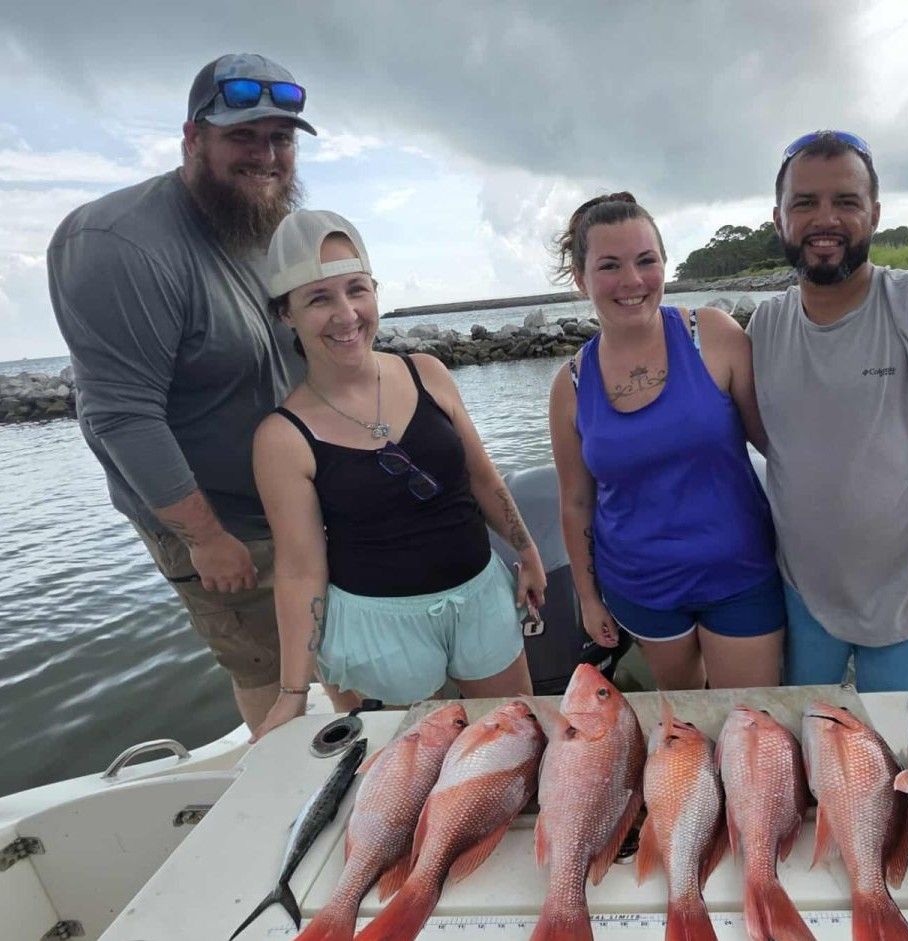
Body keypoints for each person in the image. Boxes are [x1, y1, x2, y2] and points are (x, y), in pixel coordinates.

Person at [47, 53, 314, 732]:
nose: (267, 155)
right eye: (243, 137)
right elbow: (118, 413)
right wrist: (205, 537)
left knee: (328, 650)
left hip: (295, 496)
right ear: (193, 138)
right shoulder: (118, 243)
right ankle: (287, 806)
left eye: (280, 138)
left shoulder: (258, 221)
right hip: (219, 520)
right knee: (268, 670)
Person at [249, 210, 546, 739]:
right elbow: (298, 569)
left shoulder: (427, 372)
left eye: (356, 290)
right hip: (377, 629)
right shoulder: (282, 437)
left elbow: (483, 479)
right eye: (319, 298)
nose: (346, 315)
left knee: (514, 746)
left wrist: (526, 551)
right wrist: (293, 693)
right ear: (286, 314)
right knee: (404, 781)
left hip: (479, 598)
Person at [746, 130, 908, 692]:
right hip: (802, 593)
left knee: (905, 749)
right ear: (779, 219)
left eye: (846, 201)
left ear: (875, 213)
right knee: (809, 746)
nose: (824, 219)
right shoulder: (765, 327)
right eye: (804, 203)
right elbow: (774, 441)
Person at [548, 193, 784, 691]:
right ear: (581, 278)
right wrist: (589, 599)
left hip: (740, 574)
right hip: (641, 587)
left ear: (664, 264)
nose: (632, 281)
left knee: (747, 717)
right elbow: (574, 501)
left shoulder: (714, 335)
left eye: (646, 261)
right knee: (687, 728)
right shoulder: (569, 384)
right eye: (609, 265)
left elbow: (779, 446)